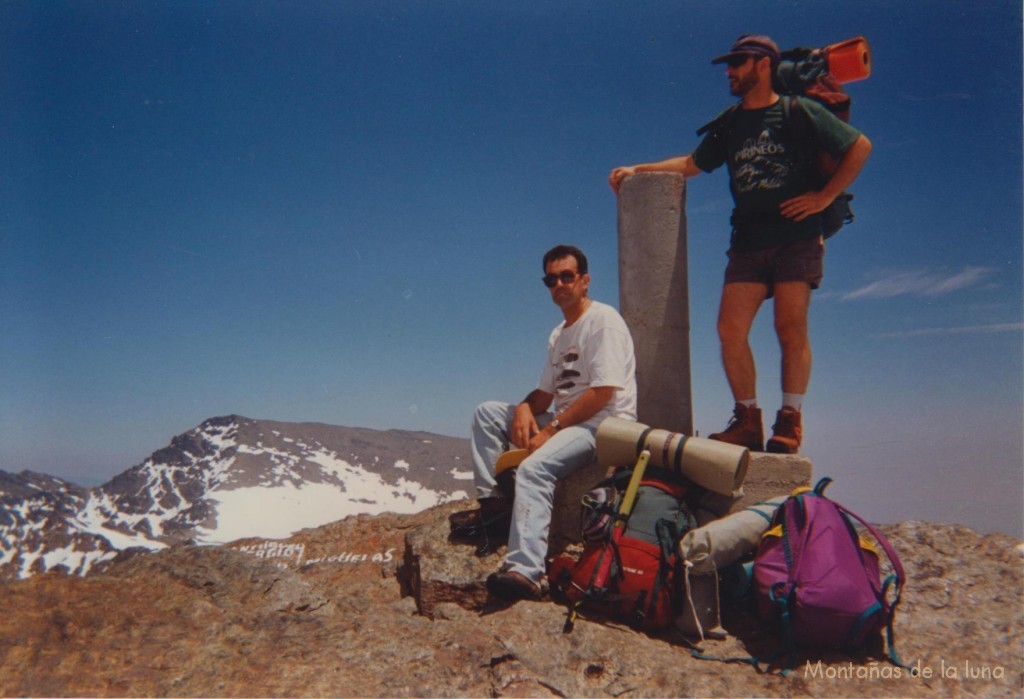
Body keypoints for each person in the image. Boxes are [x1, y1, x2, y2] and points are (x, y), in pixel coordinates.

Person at [608, 34, 871, 454]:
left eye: (737, 63)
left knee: (790, 328)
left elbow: (859, 145)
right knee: (730, 329)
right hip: (748, 239)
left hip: (796, 237)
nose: (729, 71)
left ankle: (790, 422)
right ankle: (747, 421)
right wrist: (640, 168)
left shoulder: (796, 111)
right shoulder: (731, 123)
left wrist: (822, 199)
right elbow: (693, 164)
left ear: (762, 65)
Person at [453, 244, 637, 602]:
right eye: (551, 279)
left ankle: (526, 571)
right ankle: (495, 509)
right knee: (487, 412)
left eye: (567, 276)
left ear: (585, 281)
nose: (559, 285)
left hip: (606, 426)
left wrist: (552, 430)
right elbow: (544, 394)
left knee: (535, 469)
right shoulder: (558, 334)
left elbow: (603, 393)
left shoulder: (603, 321)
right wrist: (524, 407)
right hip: (569, 420)